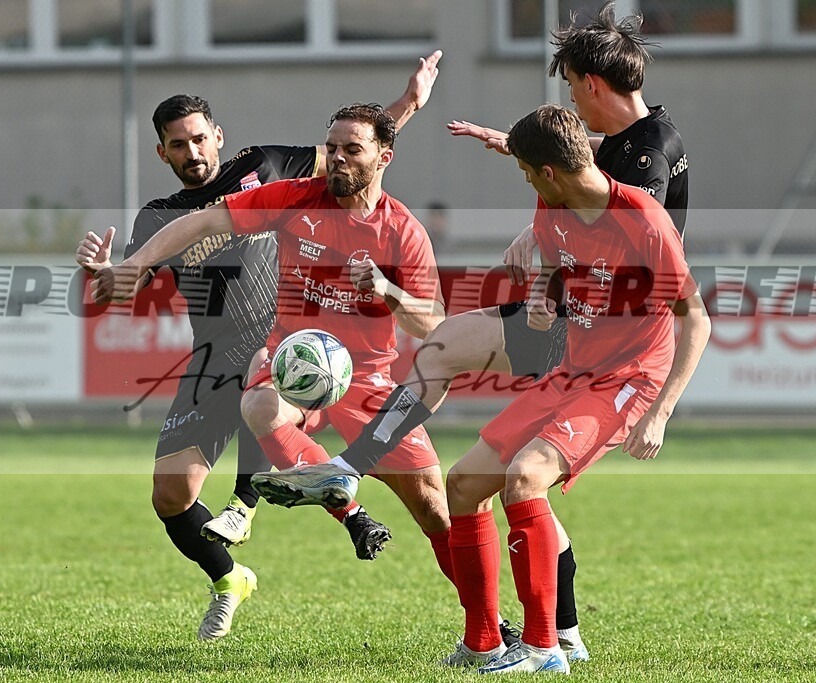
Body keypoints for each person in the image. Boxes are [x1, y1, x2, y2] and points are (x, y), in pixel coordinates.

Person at [251, 2, 686, 661]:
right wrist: (522, 163)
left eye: (568, 84)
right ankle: (513, 633)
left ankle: (544, 635)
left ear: (590, 83)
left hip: (612, 344)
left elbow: (627, 244)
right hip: (576, 325)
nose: (569, 97)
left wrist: (556, 272)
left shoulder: (643, 168)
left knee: (513, 456)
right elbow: (582, 170)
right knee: (472, 456)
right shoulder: (619, 146)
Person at [74, 51, 441, 641]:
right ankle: (229, 578)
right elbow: (125, 287)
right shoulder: (159, 217)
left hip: (289, 345)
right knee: (170, 494)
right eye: (177, 145)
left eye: (199, 139)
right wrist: (104, 276)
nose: (192, 153)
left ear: (218, 136)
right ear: (161, 153)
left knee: (265, 391)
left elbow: (356, 158)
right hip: (214, 354)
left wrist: (409, 104)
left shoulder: (268, 166)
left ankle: (258, 506)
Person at [442, 104, 709, 673]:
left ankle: (543, 649)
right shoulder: (553, 202)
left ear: (549, 171)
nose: (528, 184)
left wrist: (660, 413)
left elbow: (698, 319)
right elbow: (557, 263)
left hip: (628, 379)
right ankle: (483, 641)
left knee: (525, 477)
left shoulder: (643, 219)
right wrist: (543, 296)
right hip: (573, 371)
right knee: (462, 484)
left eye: (526, 172)